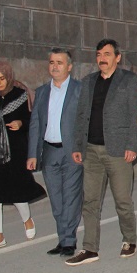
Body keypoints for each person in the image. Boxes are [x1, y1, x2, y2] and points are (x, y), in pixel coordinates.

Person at [68, 39, 137, 266]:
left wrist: (132, 146)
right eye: (99, 54)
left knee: (122, 199)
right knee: (90, 201)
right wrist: (77, 146)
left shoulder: (128, 80)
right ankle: (90, 248)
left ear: (117, 57)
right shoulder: (88, 82)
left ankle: (129, 239)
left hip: (119, 151)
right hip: (91, 150)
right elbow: (81, 116)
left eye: (107, 54)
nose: (102, 58)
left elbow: (136, 114)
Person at [0, 60, 44, 251]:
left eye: (2, 78)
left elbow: (33, 120)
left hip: (14, 150)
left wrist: (21, 123)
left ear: (9, 77)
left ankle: (27, 220)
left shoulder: (21, 96)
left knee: (16, 189)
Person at [27, 48, 82, 256]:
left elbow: (84, 122)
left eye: (60, 62)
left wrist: (81, 148)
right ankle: (62, 238)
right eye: (52, 62)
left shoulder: (79, 89)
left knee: (71, 197)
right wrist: (32, 154)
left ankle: (69, 240)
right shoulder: (41, 92)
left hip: (72, 152)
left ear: (69, 67)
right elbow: (35, 124)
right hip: (49, 151)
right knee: (56, 199)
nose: (55, 66)